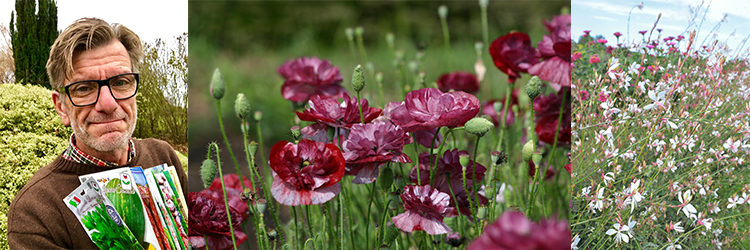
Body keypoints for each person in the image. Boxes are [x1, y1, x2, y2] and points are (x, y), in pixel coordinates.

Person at [7, 17, 187, 249]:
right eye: (84, 88)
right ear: (61, 107)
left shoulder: (163, 156)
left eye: (121, 82)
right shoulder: (35, 212)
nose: (108, 104)